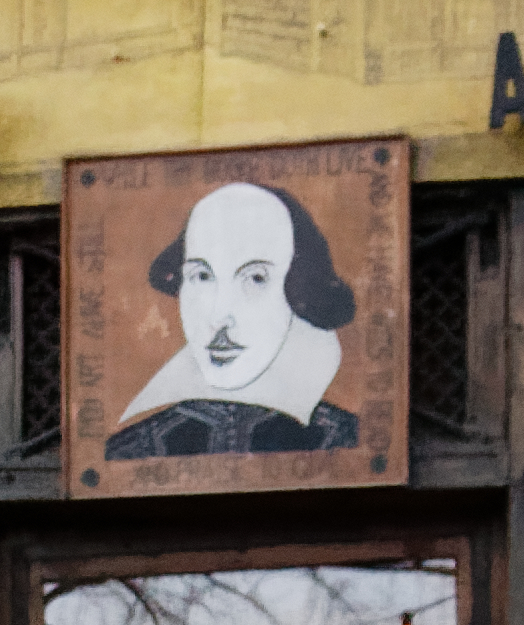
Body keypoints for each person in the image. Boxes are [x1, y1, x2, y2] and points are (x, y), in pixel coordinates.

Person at [99, 178, 366, 457]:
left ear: (298, 289)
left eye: (255, 278)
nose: (219, 318)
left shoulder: (345, 439)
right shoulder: (130, 449)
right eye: (201, 276)